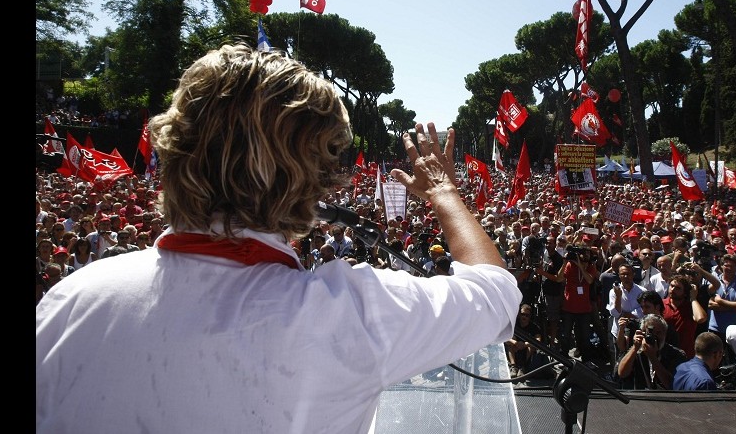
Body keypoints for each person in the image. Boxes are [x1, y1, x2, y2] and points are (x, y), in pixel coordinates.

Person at [36, 44, 521, 433]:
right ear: (307, 181)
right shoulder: (346, 315)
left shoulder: (70, 299)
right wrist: (443, 190)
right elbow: (497, 295)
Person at [615, 313, 687, 390]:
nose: (654, 337)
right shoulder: (637, 352)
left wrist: (652, 356)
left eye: (658, 333)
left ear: (665, 334)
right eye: (650, 333)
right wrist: (635, 347)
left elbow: (672, 384)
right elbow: (622, 373)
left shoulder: (676, 354)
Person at [505, 303, 542, 378]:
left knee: (531, 346)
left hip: (527, 351)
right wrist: (516, 343)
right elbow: (505, 337)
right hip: (515, 348)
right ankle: (513, 367)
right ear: (519, 314)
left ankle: (523, 367)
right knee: (511, 342)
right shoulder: (514, 324)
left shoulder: (534, 327)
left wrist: (525, 344)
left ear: (530, 316)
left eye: (527, 315)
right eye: (522, 314)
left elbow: (538, 341)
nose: (524, 317)